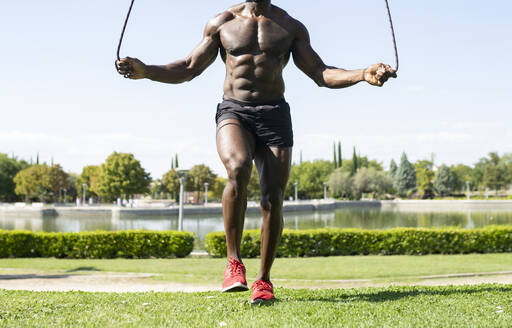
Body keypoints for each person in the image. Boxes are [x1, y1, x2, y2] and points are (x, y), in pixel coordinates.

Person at [116, 0, 396, 304]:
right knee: (238, 167)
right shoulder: (222, 22)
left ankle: (263, 281)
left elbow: (320, 72)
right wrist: (147, 71)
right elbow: (188, 68)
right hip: (235, 110)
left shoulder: (290, 26)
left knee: (272, 198)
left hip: (274, 114)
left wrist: (361, 74)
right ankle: (233, 262)